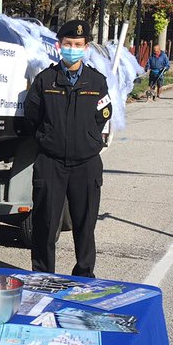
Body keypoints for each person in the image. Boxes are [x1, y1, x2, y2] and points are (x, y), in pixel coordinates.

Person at [21, 18, 110, 278]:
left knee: (85, 225)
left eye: (78, 44)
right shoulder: (45, 80)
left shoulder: (97, 82)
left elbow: (102, 115)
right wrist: (48, 137)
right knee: (45, 224)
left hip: (86, 163)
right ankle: (42, 275)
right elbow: (32, 116)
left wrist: (87, 140)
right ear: (59, 46)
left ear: (86, 47)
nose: (73, 48)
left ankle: (83, 275)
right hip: (51, 162)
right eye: (68, 43)